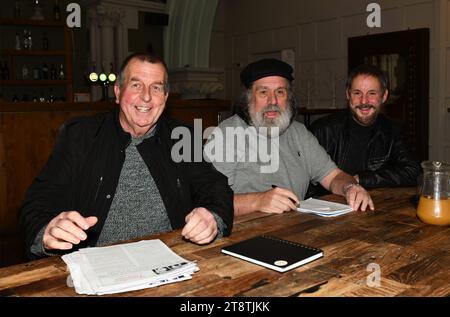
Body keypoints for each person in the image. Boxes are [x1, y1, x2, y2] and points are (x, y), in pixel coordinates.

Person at [18, 52, 234, 259]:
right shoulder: (81, 135)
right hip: (95, 263)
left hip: (171, 258)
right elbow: (38, 201)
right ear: (118, 91)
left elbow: (215, 186)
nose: (147, 96)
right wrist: (46, 230)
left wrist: (211, 216)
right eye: (136, 85)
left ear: (166, 97)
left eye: (156, 88)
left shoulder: (181, 137)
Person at [204, 58, 373, 216]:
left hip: (294, 231)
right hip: (241, 236)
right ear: (249, 98)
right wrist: (257, 201)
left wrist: (350, 187)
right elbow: (206, 200)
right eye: (263, 92)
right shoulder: (226, 135)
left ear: (289, 98)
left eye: (280, 92)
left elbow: (334, 177)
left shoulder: (299, 133)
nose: (273, 101)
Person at [307, 64, 420, 197]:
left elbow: (412, 172)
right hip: (327, 208)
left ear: (384, 96)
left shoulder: (394, 131)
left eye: (372, 93)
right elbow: (305, 179)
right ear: (348, 95)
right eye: (357, 93)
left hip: (376, 207)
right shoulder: (323, 129)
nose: (364, 101)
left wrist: (360, 179)